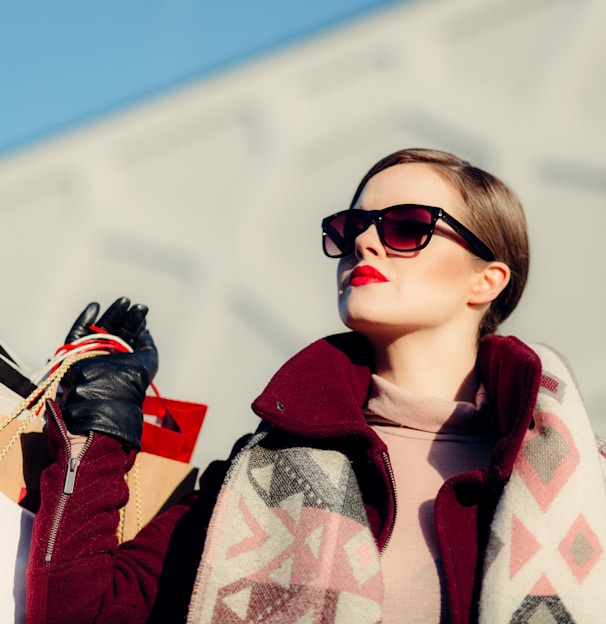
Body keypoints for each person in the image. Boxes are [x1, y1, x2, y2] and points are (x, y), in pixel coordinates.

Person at [26, 149, 606, 624]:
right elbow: (80, 611)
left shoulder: (585, 485)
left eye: (407, 227)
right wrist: (101, 422)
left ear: (487, 280)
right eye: (352, 227)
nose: (365, 243)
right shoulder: (256, 478)